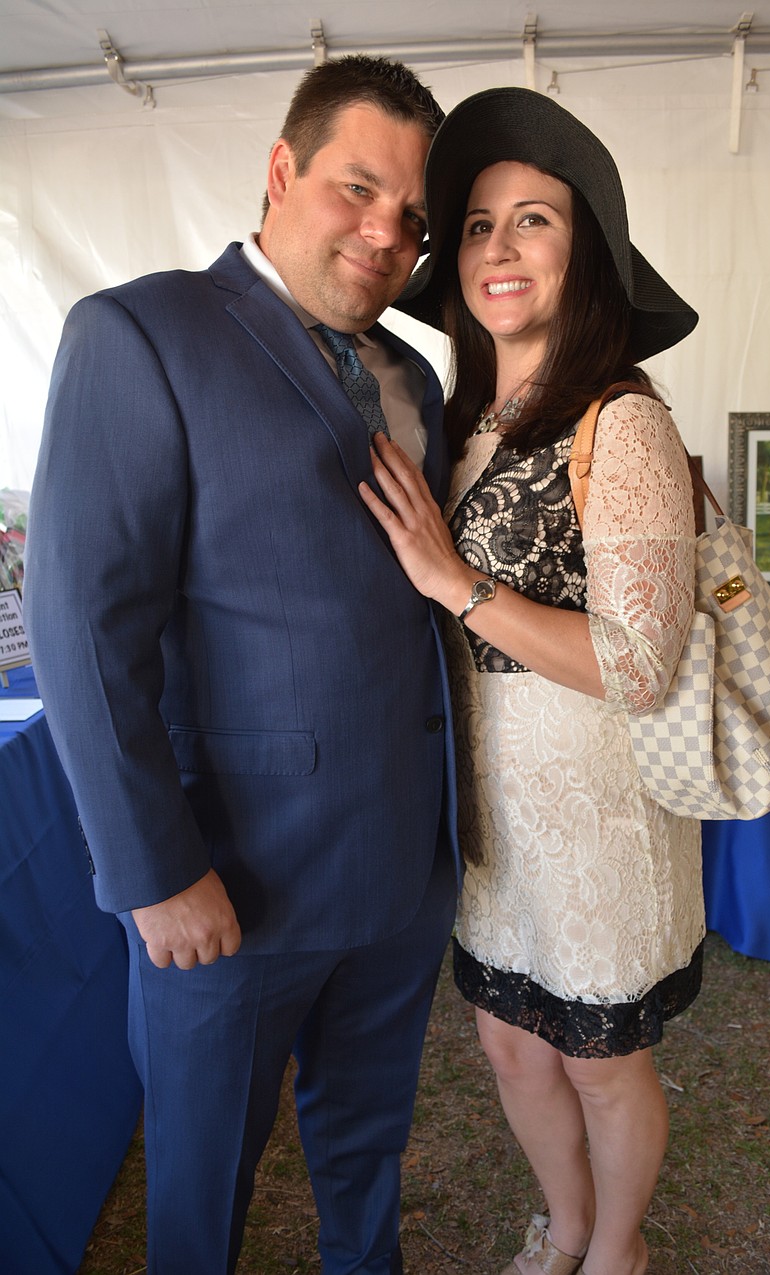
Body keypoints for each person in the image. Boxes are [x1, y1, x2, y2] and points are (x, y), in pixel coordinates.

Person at [23, 55, 461, 1275]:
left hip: (400, 874)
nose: (387, 232)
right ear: (282, 170)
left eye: (412, 215)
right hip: (226, 885)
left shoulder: (412, 375)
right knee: (206, 1177)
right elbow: (79, 621)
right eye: (358, 189)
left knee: (367, 1150)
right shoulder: (139, 332)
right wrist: (156, 874)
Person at [360, 87, 704, 1275]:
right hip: (489, 802)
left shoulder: (622, 423)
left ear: (587, 257)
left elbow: (639, 661)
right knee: (510, 1046)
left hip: (598, 808)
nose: (498, 247)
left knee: (601, 1061)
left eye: (534, 221)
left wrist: (451, 580)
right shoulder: (460, 423)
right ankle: (560, 1227)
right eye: (476, 225)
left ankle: (617, 1249)